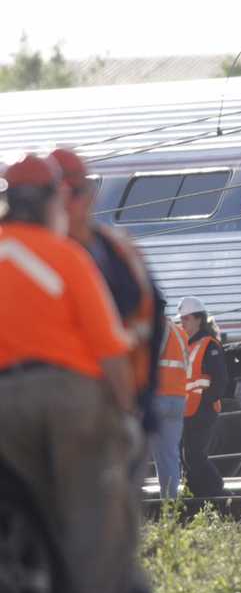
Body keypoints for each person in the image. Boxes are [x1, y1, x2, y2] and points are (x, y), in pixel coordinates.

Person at [0, 154, 145, 593]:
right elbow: (110, 350)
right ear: (50, 202)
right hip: (73, 399)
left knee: (29, 513)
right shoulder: (67, 256)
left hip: (4, 403)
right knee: (93, 516)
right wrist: (128, 413)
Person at [50, 147, 165, 435]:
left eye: (72, 194)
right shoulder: (37, 255)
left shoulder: (119, 251)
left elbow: (152, 318)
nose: (67, 205)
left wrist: (143, 399)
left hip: (111, 397)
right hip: (68, 401)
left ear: (90, 194)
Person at [178, 296, 227, 498]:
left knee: (194, 455)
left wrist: (206, 401)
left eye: (186, 319)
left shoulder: (210, 345)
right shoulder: (188, 345)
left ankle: (216, 488)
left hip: (203, 410)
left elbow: (221, 380)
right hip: (189, 409)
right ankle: (197, 495)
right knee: (186, 456)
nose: (183, 324)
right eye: (181, 320)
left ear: (198, 319)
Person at [152, 318, 189, 499]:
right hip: (178, 398)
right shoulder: (180, 332)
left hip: (157, 397)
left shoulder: (153, 326)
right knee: (169, 455)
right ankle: (170, 504)